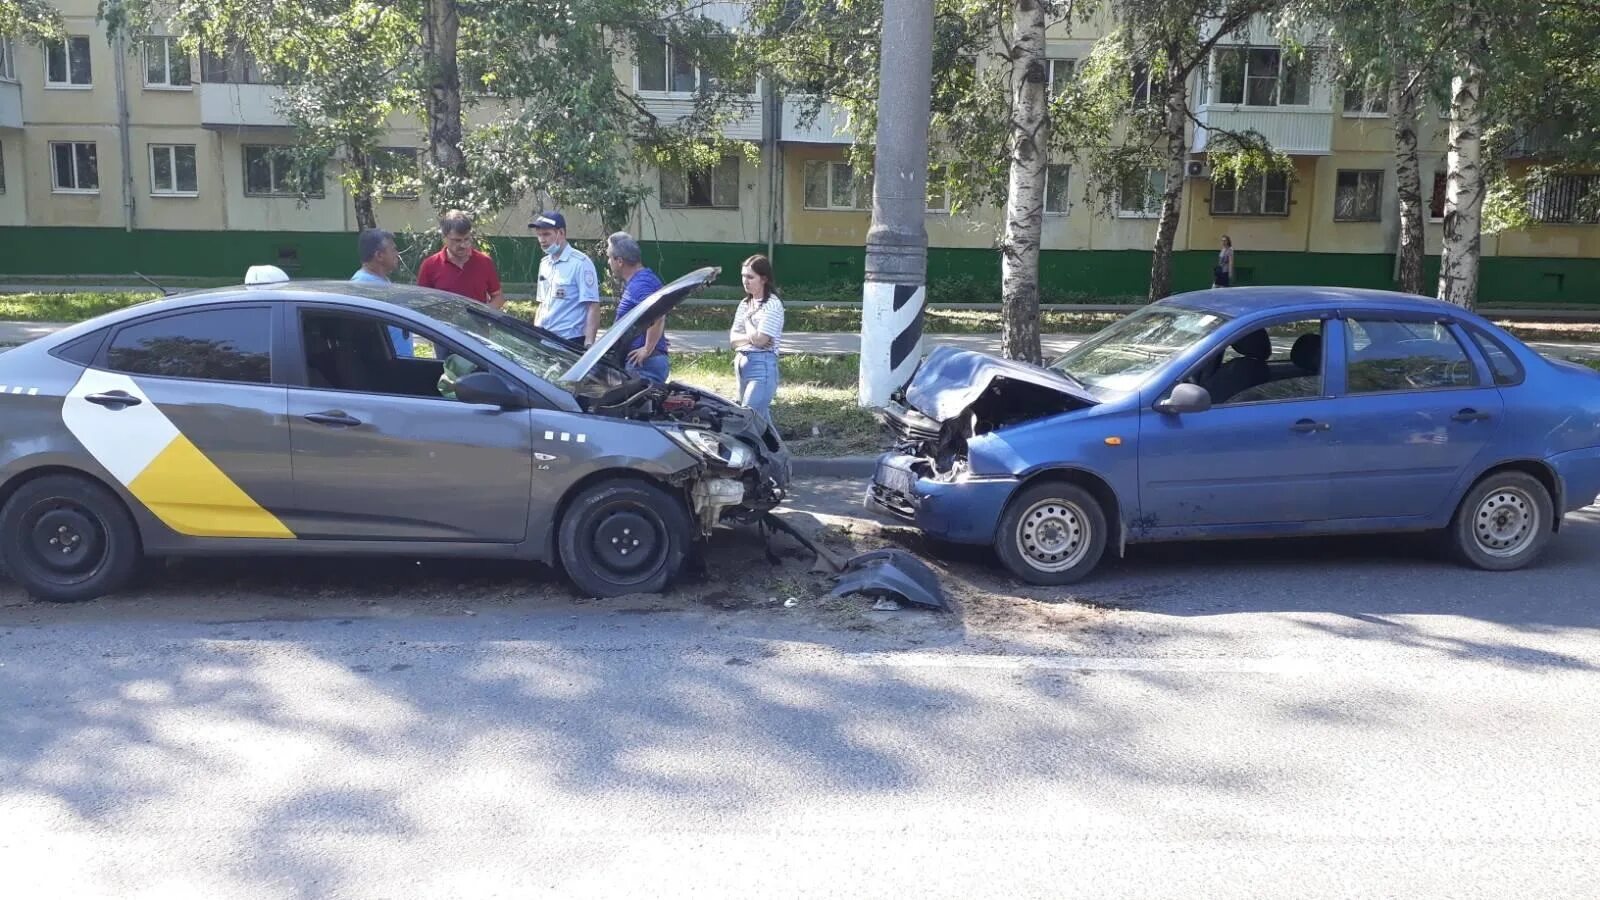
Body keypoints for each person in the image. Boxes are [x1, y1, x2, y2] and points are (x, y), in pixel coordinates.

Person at [529, 210, 601, 347]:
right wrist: (536, 334)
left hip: (570, 340)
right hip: (545, 338)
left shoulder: (580, 263)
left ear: (561, 233)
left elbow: (593, 306)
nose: (542, 240)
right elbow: (542, 304)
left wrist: (589, 344)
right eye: (539, 235)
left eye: (546, 234)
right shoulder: (544, 263)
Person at [605, 231, 669, 383]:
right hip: (644, 363)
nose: (608, 262)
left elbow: (658, 314)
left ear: (619, 261)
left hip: (643, 365)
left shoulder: (640, 285)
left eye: (609, 257)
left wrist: (648, 348)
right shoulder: (644, 279)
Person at [728, 254, 784, 420]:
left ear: (764, 279)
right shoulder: (745, 303)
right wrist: (753, 337)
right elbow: (733, 339)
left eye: (750, 277)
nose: (746, 281)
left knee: (748, 417)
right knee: (759, 421)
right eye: (743, 276)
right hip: (742, 364)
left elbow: (761, 341)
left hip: (762, 366)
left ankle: (762, 446)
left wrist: (747, 320)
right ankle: (774, 446)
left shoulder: (772, 305)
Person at [416, 210, 505, 308]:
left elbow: (498, 297)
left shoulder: (484, 261)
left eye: (466, 239)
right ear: (444, 237)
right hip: (442, 323)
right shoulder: (430, 265)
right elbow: (421, 302)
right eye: (457, 240)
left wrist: (484, 313)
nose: (463, 245)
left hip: (476, 322)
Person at [349, 228, 412, 356]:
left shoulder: (380, 281)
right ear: (379, 255)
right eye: (393, 249)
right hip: (384, 367)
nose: (397, 254)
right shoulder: (362, 287)